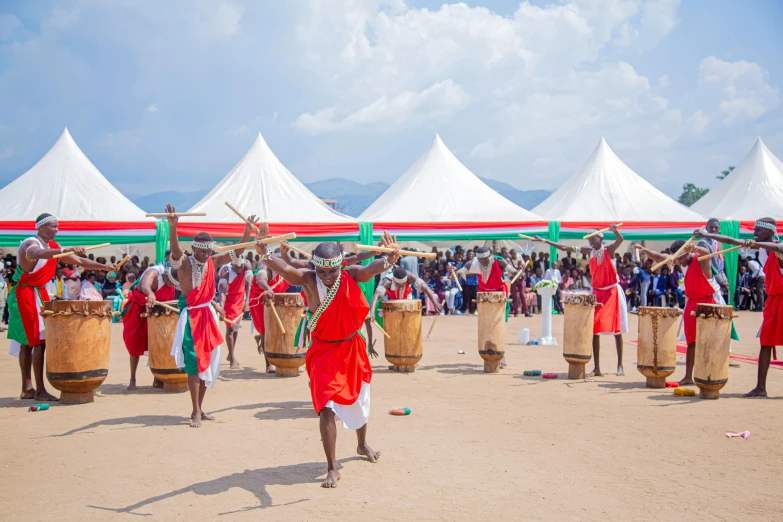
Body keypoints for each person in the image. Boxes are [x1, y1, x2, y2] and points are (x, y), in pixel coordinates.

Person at [255, 226, 402, 489]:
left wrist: (389, 259)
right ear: (315, 267)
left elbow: (370, 270)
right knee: (326, 408)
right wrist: (265, 253)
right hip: (323, 351)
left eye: (332, 271)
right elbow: (286, 270)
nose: (327, 277)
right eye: (322, 271)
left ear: (340, 266)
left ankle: (360, 444)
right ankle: (332, 467)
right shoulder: (309, 279)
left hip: (350, 349)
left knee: (359, 399)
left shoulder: (350, 275)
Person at [165, 204, 257, 427]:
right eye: (203, 251)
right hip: (191, 318)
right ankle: (195, 411)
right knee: (195, 363)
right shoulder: (185, 263)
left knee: (209, 363)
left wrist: (247, 231)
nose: (206, 254)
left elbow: (237, 251)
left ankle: (200, 408)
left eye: (209, 251)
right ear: (195, 249)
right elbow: (175, 250)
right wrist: (173, 227)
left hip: (208, 316)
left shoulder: (213, 262)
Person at [6, 214, 114, 401]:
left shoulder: (53, 247)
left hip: (38, 293)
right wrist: (65, 249)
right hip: (25, 294)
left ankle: (29, 388)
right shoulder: (30, 244)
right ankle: (36, 389)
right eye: (53, 226)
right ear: (41, 228)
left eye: (57, 226)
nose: (56, 229)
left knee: (33, 341)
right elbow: (37, 254)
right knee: (35, 341)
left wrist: (104, 268)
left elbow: (79, 261)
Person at [696, 218, 782, 397]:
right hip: (774, 302)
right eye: (754, 230)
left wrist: (755, 243)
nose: (754, 233)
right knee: (766, 342)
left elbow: (777, 248)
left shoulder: (779, 248)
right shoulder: (763, 249)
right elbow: (732, 241)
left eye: (758, 230)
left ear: (770, 233)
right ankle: (761, 387)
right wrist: (706, 234)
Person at [536, 224, 627, 376]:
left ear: (600, 238)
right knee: (594, 330)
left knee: (616, 329)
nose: (591, 241)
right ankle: (596, 368)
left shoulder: (608, 250)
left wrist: (615, 230)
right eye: (589, 239)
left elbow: (620, 240)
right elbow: (565, 248)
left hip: (612, 292)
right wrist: (545, 241)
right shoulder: (589, 251)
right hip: (597, 292)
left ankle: (620, 365)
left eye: (593, 238)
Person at [637, 241, 714, 385]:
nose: (678, 261)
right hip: (692, 302)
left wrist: (695, 247)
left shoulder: (700, 259)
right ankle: (688, 376)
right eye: (676, 258)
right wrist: (643, 249)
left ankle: (709, 374)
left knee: (708, 341)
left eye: (680, 258)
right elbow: (660, 257)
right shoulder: (680, 259)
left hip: (708, 302)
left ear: (688, 252)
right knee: (691, 341)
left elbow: (708, 253)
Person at [120, 263, 179, 391]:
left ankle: (157, 378)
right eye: (170, 283)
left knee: (158, 343)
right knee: (135, 344)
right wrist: (151, 293)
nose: (170, 286)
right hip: (138, 309)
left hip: (157, 312)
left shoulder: (173, 281)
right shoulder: (154, 272)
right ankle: (132, 379)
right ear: (166, 276)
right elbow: (145, 284)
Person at [248, 260, 289, 373]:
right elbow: (260, 281)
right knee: (265, 331)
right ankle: (269, 364)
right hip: (260, 300)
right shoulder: (264, 268)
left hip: (275, 298)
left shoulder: (284, 268)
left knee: (278, 330)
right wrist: (268, 289)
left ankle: (281, 359)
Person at [371, 266, 441, 326]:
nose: (400, 286)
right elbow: (376, 294)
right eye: (398, 284)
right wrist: (372, 311)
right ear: (394, 281)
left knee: (407, 319)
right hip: (391, 298)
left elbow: (425, 288)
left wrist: (435, 303)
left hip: (406, 296)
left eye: (403, 284)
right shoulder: (388, 281)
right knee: (391, 320)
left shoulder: (411, 277)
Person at [218, 258, 253, 369]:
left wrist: (247, 302)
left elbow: (248, 284)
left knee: (236, 328)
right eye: (237, 268)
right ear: (232, 265)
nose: (239, 270)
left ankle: (231, 353)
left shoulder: (246, 264)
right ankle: (232, 358)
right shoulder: (225, 271)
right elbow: (222, 291)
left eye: (240, 267)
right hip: (228, 301)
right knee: (230, 329)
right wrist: (221, 308)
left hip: (240, 299)